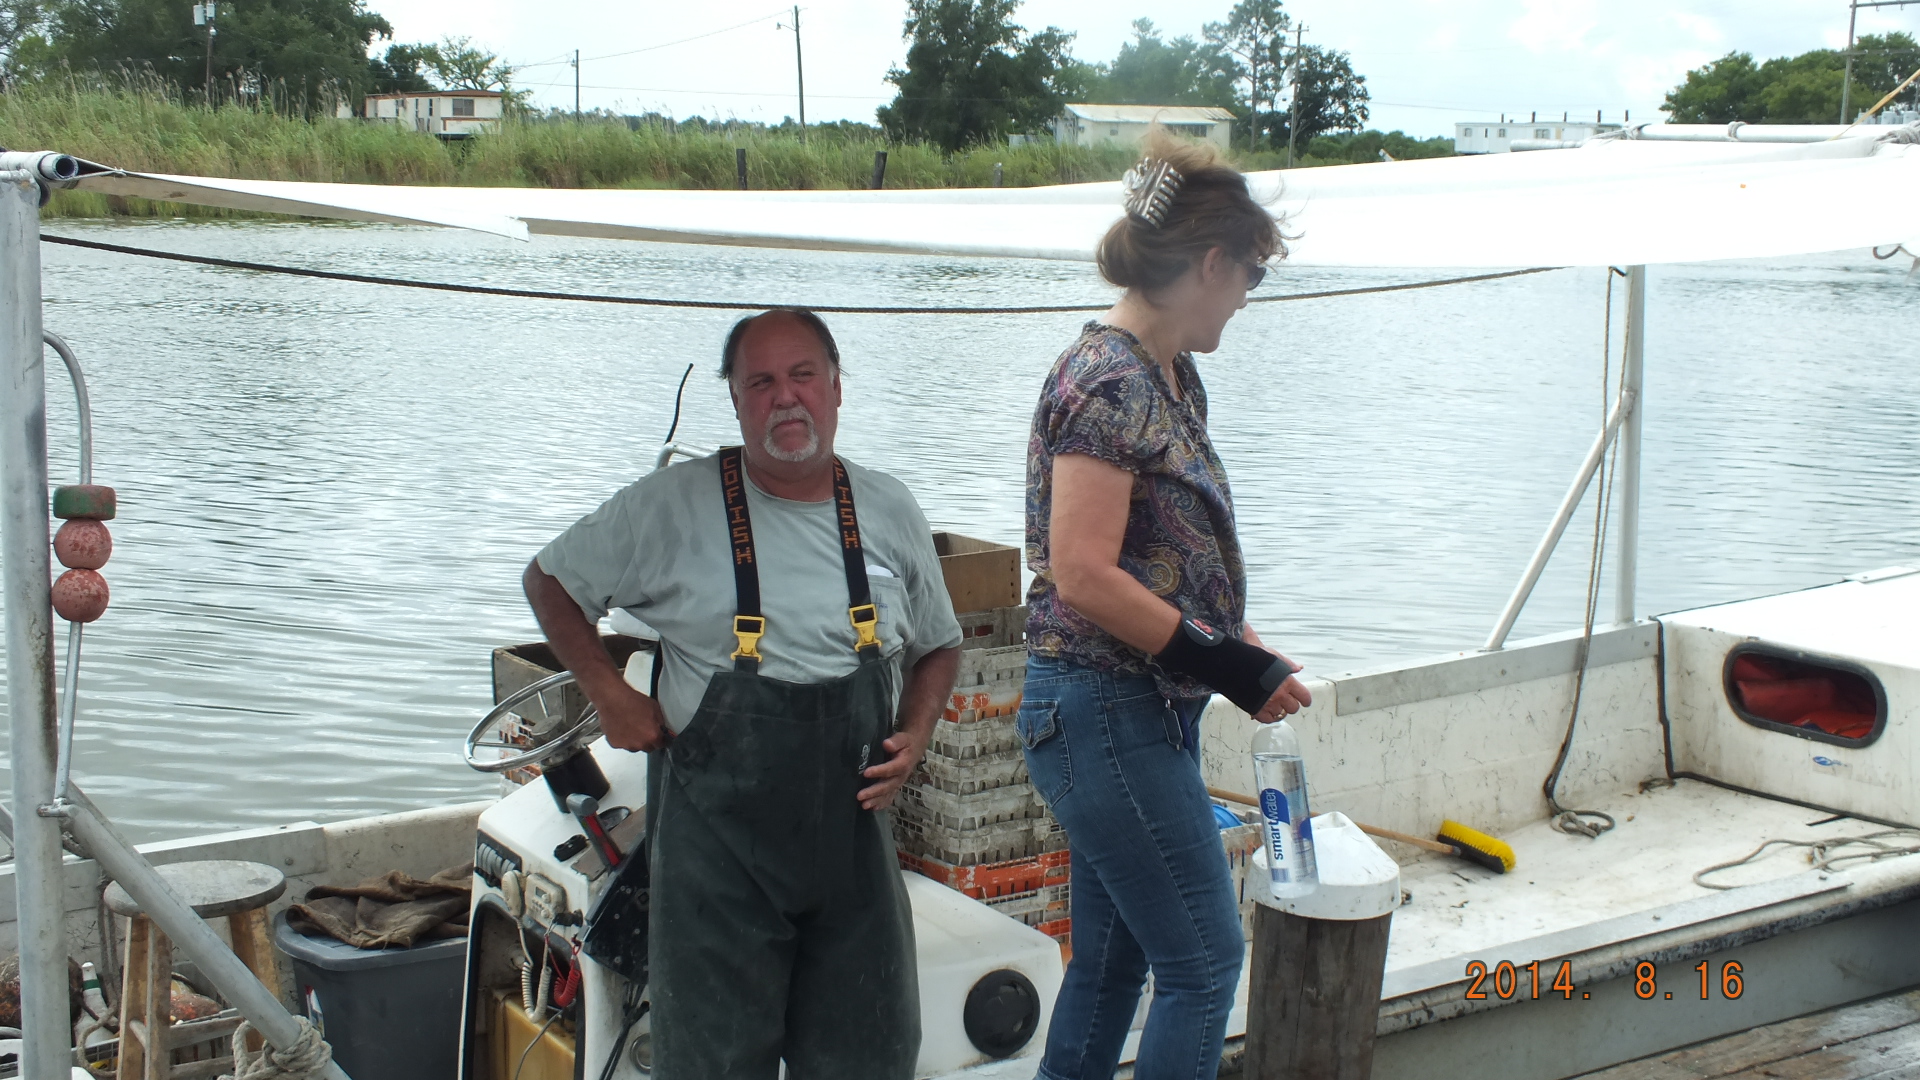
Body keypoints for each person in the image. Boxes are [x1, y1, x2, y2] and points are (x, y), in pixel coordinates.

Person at [522, 307, 963, 1080]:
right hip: (718, 866)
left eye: (802, 376)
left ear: (835, 388)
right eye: (760, 382)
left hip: (855, 855)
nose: (784, 398)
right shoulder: (670, 506)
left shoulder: (888, 507)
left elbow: (940, 645)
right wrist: (608, 693)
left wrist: (917, 733)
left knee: (875, 1056)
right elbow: (550, 579)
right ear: (734, 400)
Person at [1019, 133, 1313, 1080]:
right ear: (1212, 262)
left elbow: (1165, 557)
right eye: (1251, 277)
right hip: (1101, 707)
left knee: (1114, 962)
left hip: (1139, 708)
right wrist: (1229, 666)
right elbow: (1082, 573)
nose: (1245, 299)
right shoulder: (1108, 378)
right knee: (1204, 958)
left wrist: (1239, 639)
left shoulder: (1172, 374)